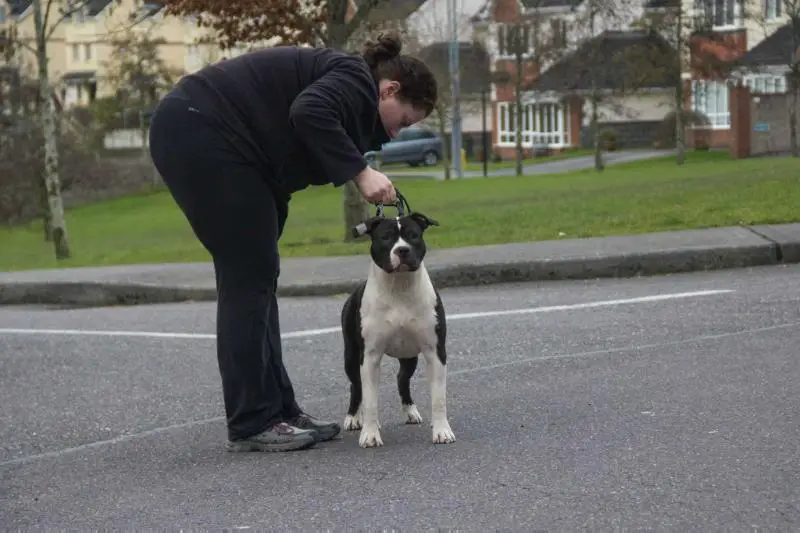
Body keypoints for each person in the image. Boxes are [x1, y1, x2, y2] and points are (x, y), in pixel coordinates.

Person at [147, 31, 438, 453]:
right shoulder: (356, 78)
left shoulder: (349, 95)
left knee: (261, 275)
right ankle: (252, 421)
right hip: (200, 128)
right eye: (404, 121)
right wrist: (361, 172)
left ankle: (280, 410)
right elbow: (308, 111)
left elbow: (285, 144)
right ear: (389, 89)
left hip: (226, 144)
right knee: (247, 278)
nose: (395, 134)